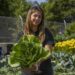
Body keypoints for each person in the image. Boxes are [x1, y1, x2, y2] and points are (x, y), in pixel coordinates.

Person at [18, 5, 55, 75]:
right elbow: (19, 53)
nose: (37, 18)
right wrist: (28, 63)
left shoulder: (46, 32)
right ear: (29, 16)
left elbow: (48, 52)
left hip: (45, 71)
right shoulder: (22, 34)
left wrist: (37, 62)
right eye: (35, 15)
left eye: (40, 16)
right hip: (27, 71)